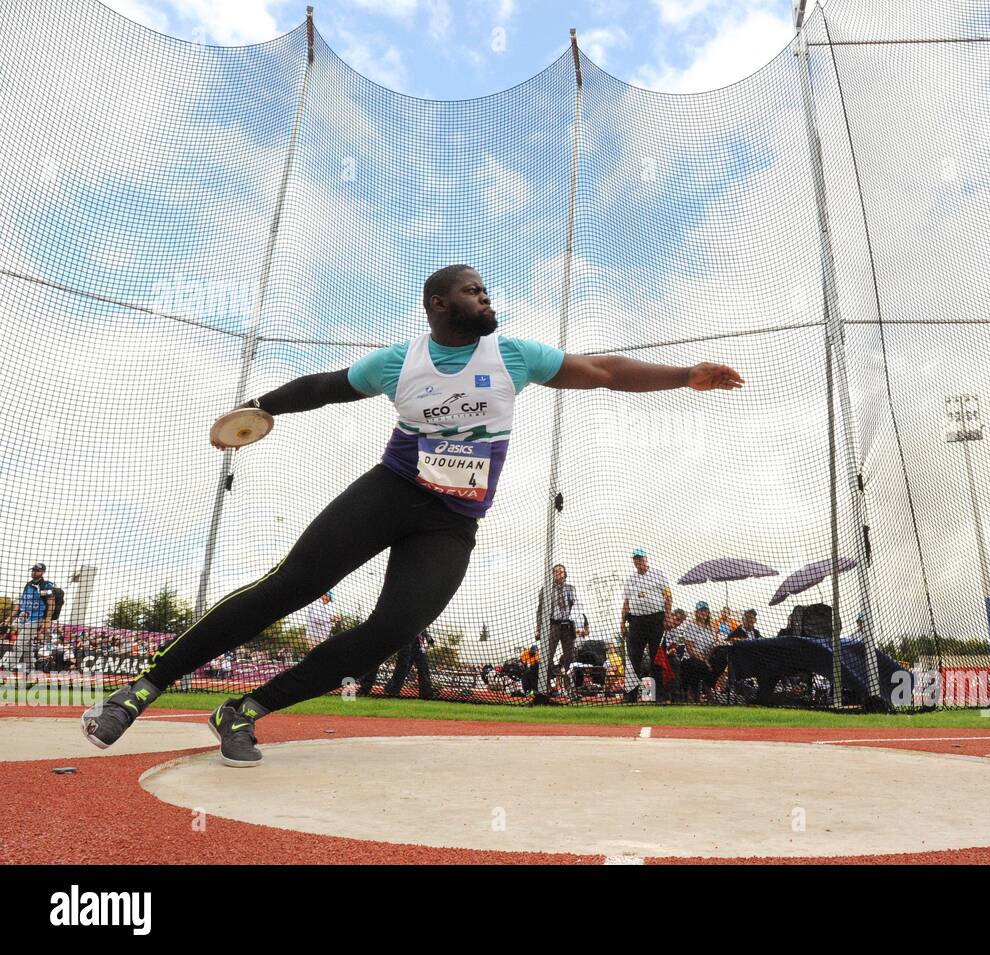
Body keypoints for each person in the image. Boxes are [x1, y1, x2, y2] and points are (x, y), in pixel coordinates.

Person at [82, 264, 743, 765]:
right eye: (474, 292)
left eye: (487, 293)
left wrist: (684, 374)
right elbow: (328, 385)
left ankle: (245, 708)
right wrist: (262, 406)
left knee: (392, 628)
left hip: (450, 524)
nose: (486, 300)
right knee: (288, 586)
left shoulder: (513, 355)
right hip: (390, 491)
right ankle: (141, 688)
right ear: (438, 304)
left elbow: (601, 369)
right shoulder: (403, 362)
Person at [620, 548, 673, 702]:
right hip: (636, 621)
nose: (638, 561)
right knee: (633, 657)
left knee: (657, 657)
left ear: (646, 559)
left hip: (656, 620)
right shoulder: (630, 579)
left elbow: (668, 597)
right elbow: (626, 603)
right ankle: (630, 695)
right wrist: (622, 623)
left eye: (640, 558)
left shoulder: (659, 574)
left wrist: (668, 616)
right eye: (635, 559)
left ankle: (660, 695)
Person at [534, 563, 582, 699]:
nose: (558, 574)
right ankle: (546, 688)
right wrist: (538, 628)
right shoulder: (546, 590)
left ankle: (570, 690)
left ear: (565, 574)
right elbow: (540, 610)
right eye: (555, 572)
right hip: (552, 625)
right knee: (547, 657)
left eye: (561, 572)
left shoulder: (570, 588)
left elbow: (577, 607)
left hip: (568, 626)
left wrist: (578, 625)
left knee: (570, 659)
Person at [9, 563, 55, 672]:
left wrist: (47, 620)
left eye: (37, 570)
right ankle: (30, 669)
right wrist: (9, 618)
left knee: (19, 644)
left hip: (37, 619)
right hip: (25, 619)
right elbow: (21, 603)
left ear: (43, 572)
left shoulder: (47, 585)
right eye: (33, 570)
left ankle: (8, 668)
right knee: (27, 647)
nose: (34, 572)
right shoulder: (28, 585)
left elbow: (51, 603)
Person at [678, 601, 727, 703]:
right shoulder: (691, 626)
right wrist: (705, 661)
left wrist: (709, 657)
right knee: (699, 665)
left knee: (723, 657)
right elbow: (690, 650)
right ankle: (695, 692)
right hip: (691, 659)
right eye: (701, 610)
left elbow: (712, 646)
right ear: (696, 612)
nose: (703, 613)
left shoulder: (711, 628)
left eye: (705, 610)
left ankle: (708, 685)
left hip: (706, 658)